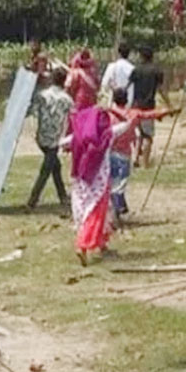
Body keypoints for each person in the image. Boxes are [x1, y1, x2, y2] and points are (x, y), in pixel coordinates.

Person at [68, 105, 145, 265]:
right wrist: (112, 109)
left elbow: (62, 143)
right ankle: (82, 245)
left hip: (81, 181)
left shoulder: (78, 136)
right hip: (100, 182)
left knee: (87, 212)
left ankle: (102, 244)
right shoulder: (107, 135)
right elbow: (128, 122)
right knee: (95, 214)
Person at [107, 89, 174, 222]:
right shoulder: (133, 114)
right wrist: (167, 111)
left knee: (112, 183)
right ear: (126, 100)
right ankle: (116, 213)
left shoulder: (108, 114)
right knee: (120, 185)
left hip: (109, 153)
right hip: (124, 155)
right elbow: (150, 114)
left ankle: (116, 212)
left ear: (114, 99)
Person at [27, 68, 73, 208]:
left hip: (41, 136)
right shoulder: (67, 99)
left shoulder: (41, 95)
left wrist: (33, 132)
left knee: (55, 166)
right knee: (46, 170)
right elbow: (74, 118)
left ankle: (63, 196)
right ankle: (32, 200)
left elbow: (33, 115)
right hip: (55, 139)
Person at [129, 46, 171, 168]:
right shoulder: (156, 71)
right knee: (148, 136)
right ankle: (145, 163)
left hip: (136, 106)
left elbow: (129, 87)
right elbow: (161, 90)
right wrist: (169, 104)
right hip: (148, 107)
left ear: (141, 56)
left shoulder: (136, 70)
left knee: (139, 134)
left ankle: (135, 158)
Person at [65, 49, 99, 119]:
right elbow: (98, 87)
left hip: (78, 104)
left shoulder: (74, 73)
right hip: (91, 104)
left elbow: (67, 87)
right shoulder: (93, 74)